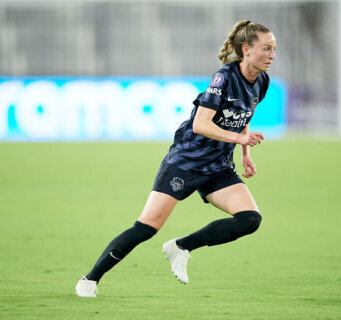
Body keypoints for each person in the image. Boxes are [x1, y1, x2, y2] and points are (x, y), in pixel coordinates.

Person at [75, 20, 276, 297]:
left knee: (250, 219)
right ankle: (89, 279)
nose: (272, 55)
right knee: (146, 227)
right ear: (246, 50)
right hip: (186, 161)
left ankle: (181, 247)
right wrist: (239, 140)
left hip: (217, 166)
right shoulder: (224, 78)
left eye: (273, 49)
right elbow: (201, 124)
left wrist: (245, 152)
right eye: (266, 49)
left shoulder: (262, 81)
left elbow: (244, 115)